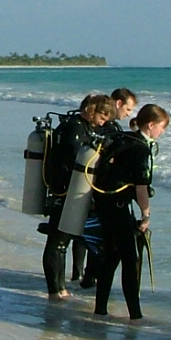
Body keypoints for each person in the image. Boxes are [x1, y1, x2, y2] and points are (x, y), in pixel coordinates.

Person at [91, 103, 169, 321]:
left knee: (111, 257)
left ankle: (101, 308)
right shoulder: (140, 149)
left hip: (104, 203)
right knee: (129, 259)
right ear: (151, 125)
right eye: (162, 127)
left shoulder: (122, 138)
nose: (162, 132)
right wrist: (146, 215)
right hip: (118, 208)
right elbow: (141, 186)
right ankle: (135, 314)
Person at [41, 95, 115, 299]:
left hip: (76, 192)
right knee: (58, 242)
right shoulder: (73, 128)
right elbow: (72, 159)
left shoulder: (87, 128)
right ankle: (55, 290)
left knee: (65, 241)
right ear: (91, 110)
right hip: (64, 192)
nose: (104, 121)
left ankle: (62, 287)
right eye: (102, 115)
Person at [78, 87, 139, 289]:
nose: (128, 114)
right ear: (119, 104)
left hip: (87, 187)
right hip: (100, 192)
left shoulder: (101, 126)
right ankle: (89, 279)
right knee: (99, 239)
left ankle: (81, 275)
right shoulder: (110, 128)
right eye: (128, 109)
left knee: (83, 233)